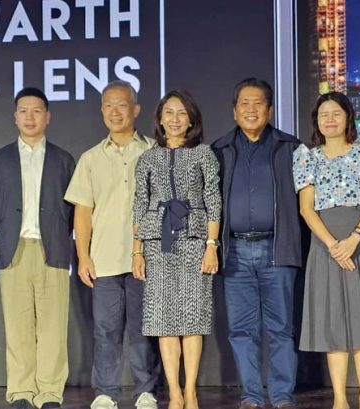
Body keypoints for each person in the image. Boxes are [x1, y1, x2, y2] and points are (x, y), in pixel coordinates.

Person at [295, 91, 360, 409]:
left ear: (348, 118)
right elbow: (306, 209)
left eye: (336, 113)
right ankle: (340, 399)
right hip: (324, 244)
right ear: (316, 121)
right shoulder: (306, 156)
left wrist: (354, 239)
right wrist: (332, 245)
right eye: (323, 114)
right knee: (333, 322)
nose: (329, 119)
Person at [65, 80, 160, 409]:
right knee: (105, 329)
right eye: (108, 105)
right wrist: (83, 256)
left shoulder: (154, 151)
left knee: (143, 329)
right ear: (102, 110)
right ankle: (105, 392)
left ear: (136, 109)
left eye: (122, 104)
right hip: (103, 259)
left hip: (145, 259)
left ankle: (145, 390)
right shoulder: (91, 158)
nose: (115, 111)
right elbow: (82, 212)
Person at [211, 78, 302, 409]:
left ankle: (281, 396)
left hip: (277, 249)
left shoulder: (290, 148)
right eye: (244, 104)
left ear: (270, 110)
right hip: (234, 252)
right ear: (234, 111)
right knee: (241, 330)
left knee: (281, 328)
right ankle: (251, 396)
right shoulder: (218, 151)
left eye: (258, 103)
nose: (251, 110)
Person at [0, 87, 75, 409]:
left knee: (53, 326)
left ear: (47, 117)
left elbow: (73, 210)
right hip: (15, 249)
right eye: (23, 111)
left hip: (53, 249)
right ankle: (21, 391)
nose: (29, 117)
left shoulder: (64, 159)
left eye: (36, 111)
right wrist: (10, 231)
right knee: (18, 324)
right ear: (15, 117)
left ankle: (49, 392)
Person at [131, 89, 220, 409]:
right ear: (159, 118)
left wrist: (212, 245)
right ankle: (174, 392)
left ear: (191, 120)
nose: (175, 119)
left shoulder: (204, 154)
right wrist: (137, 251)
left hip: (195, 240)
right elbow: (140, 205)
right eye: (169, 112)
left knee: (193, 319)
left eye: (182, 113)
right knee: (163, 321)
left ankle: (191, 390)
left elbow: (213, 201)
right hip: (158, 244)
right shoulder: (147, 158)